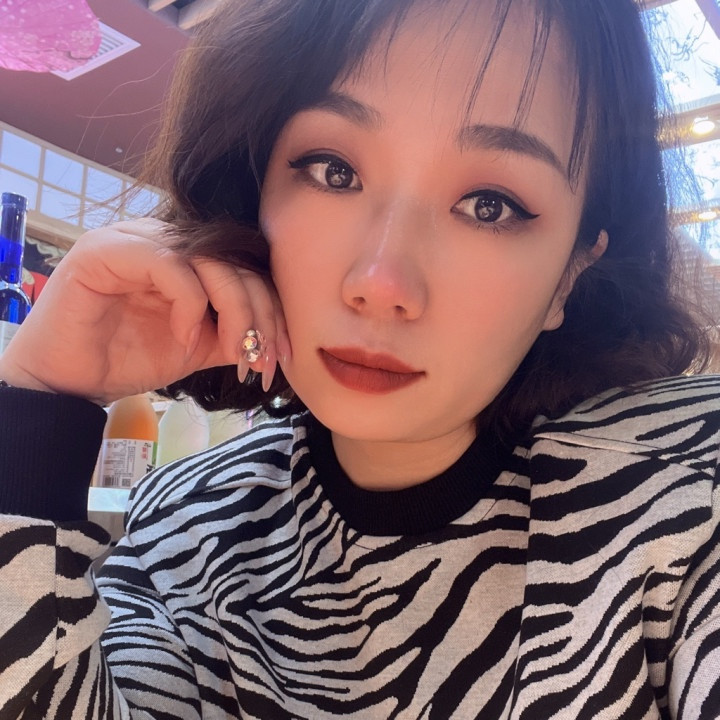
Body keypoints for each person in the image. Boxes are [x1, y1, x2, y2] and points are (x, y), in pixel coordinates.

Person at [0, 0, 718, 717]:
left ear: (569, 273)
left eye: (490, 205)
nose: (381, 283)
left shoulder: (685, 500)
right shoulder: (183, 531)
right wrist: (37, 399)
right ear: (255, 193)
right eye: (334, 170)